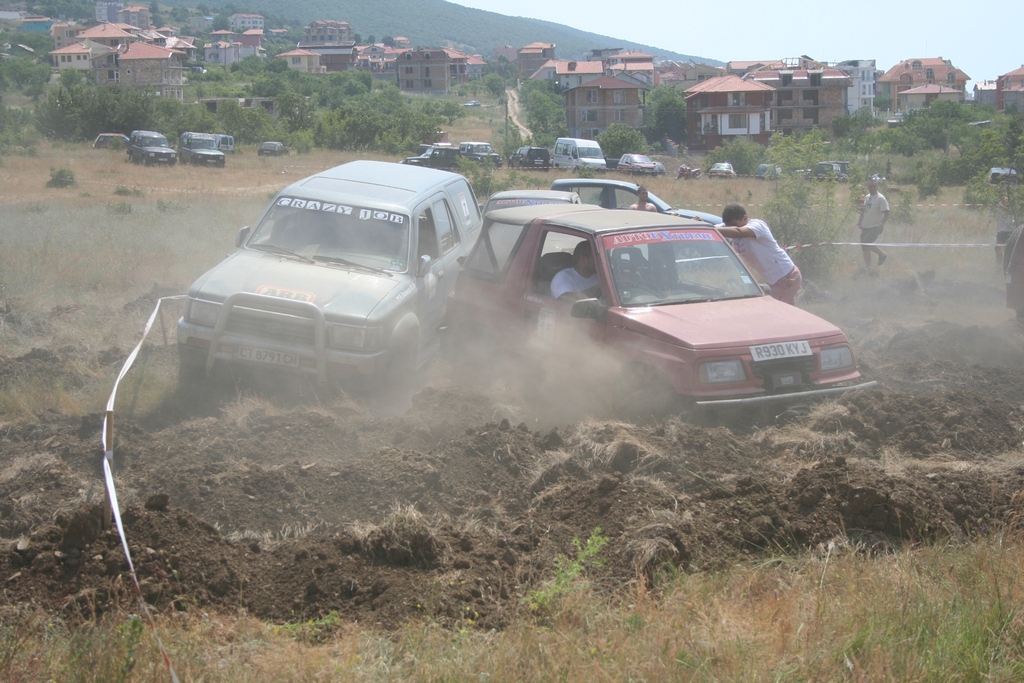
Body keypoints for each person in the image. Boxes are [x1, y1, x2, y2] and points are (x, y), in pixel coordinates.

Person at [717, 203, 801, 305]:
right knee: (786, 311)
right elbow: (714, 227)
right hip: (775, 280)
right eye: (728, 226)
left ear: (745, 218)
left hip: (786, 277)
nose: (730, 228)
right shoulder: (731, 226)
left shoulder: (757, 225)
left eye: (734, 225)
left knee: (775, 310)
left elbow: (738, 232)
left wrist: (715, 229)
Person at [858, 180, 890, 267]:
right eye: (870, 186)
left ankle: (882, 254)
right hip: (865, 226)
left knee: (866, 243)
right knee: (864, 247)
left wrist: (881, 224)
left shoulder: (880, 198)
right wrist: (859, 221)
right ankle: (868, 268)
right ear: (868, 187)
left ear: (877, 187)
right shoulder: (867, 197)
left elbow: (886, 212)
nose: (872, 188)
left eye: (874, 186)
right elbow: (864, 210)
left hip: (874, 226)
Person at [995, 196, 1017, 265]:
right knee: (997, 249)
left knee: (1008, 250)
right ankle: (999, 266)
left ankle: (1008, 265)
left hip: (1010, 231)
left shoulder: (1012, 210)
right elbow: (998, 206)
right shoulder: (999, 208)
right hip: (1001, 232)